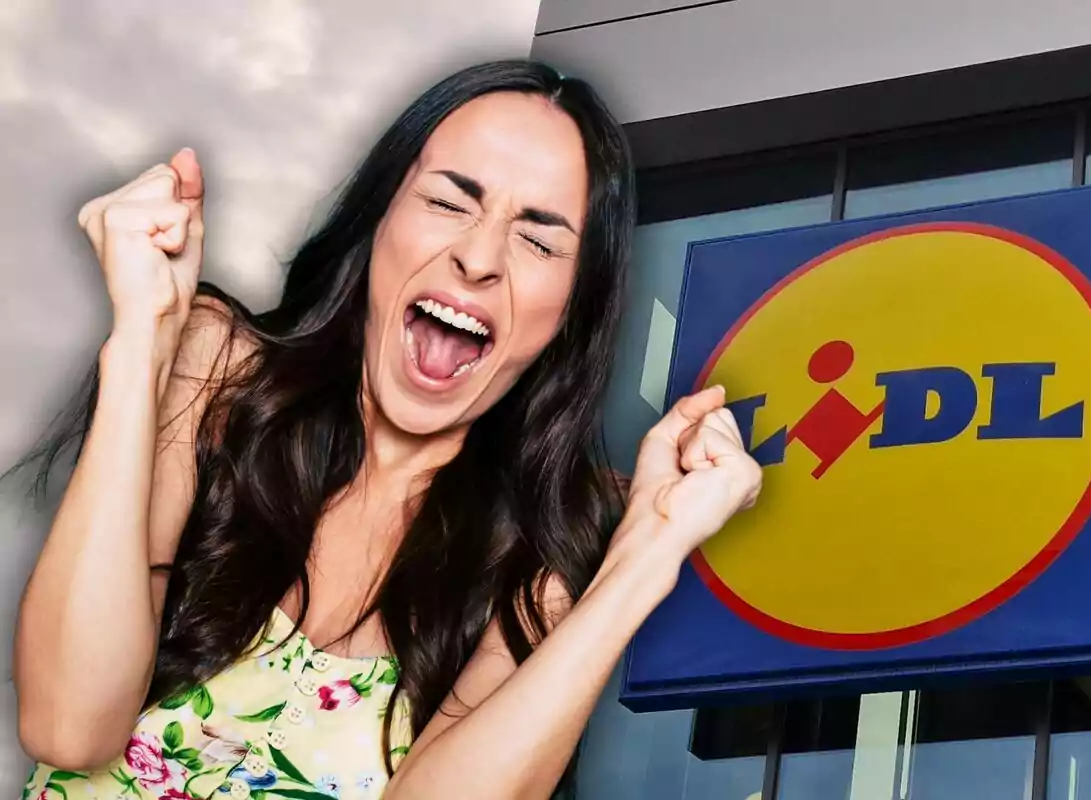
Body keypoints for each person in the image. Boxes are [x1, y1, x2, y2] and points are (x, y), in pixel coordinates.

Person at [13, 59, 761, 800]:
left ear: (572, 310)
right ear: (379, 218)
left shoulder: (542, 547)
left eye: (538, 241)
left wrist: (645, 556)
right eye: (447, 202)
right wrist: (144, 336)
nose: (477, 257)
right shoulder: (219, 372)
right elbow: (68, 727)